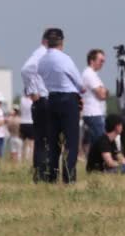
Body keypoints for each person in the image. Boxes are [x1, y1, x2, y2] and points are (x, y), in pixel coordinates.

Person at [37, 28, 84, 183]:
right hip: (68, 99)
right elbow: (79, 83)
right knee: (71, 142)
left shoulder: (42, 60)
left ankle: (51, 176)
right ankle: (68, 177)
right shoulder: (65, 59)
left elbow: (40, 75)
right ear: (61, 42)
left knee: (53, 141)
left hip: (51, 98)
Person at [20, 30, 49, 182]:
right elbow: (26, 70)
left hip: (43, 99)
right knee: (43, 139)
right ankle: (42, 174)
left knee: (43, 140)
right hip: (43, 99)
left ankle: (42, 172)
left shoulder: (44, 54)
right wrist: (33, 91)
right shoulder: (41, 54)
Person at [82, 49, 109, 144]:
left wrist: (103, 91)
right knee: (101, 141)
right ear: (92, 61)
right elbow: (102, 94)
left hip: (96, 113)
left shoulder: (93, 74)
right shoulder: (89, 74)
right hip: (93, 113)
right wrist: (103, 90)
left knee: (95, 143)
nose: (102, 63)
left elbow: (104, 92)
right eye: (100, 61)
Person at [18, 95, 35, 162]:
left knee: (23, 145)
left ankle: (23, 160)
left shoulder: (22, 99)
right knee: (32, 145)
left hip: (22, 122)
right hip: (30, 122)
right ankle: (30, 160)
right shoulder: (32, 100)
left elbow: (20, 110)